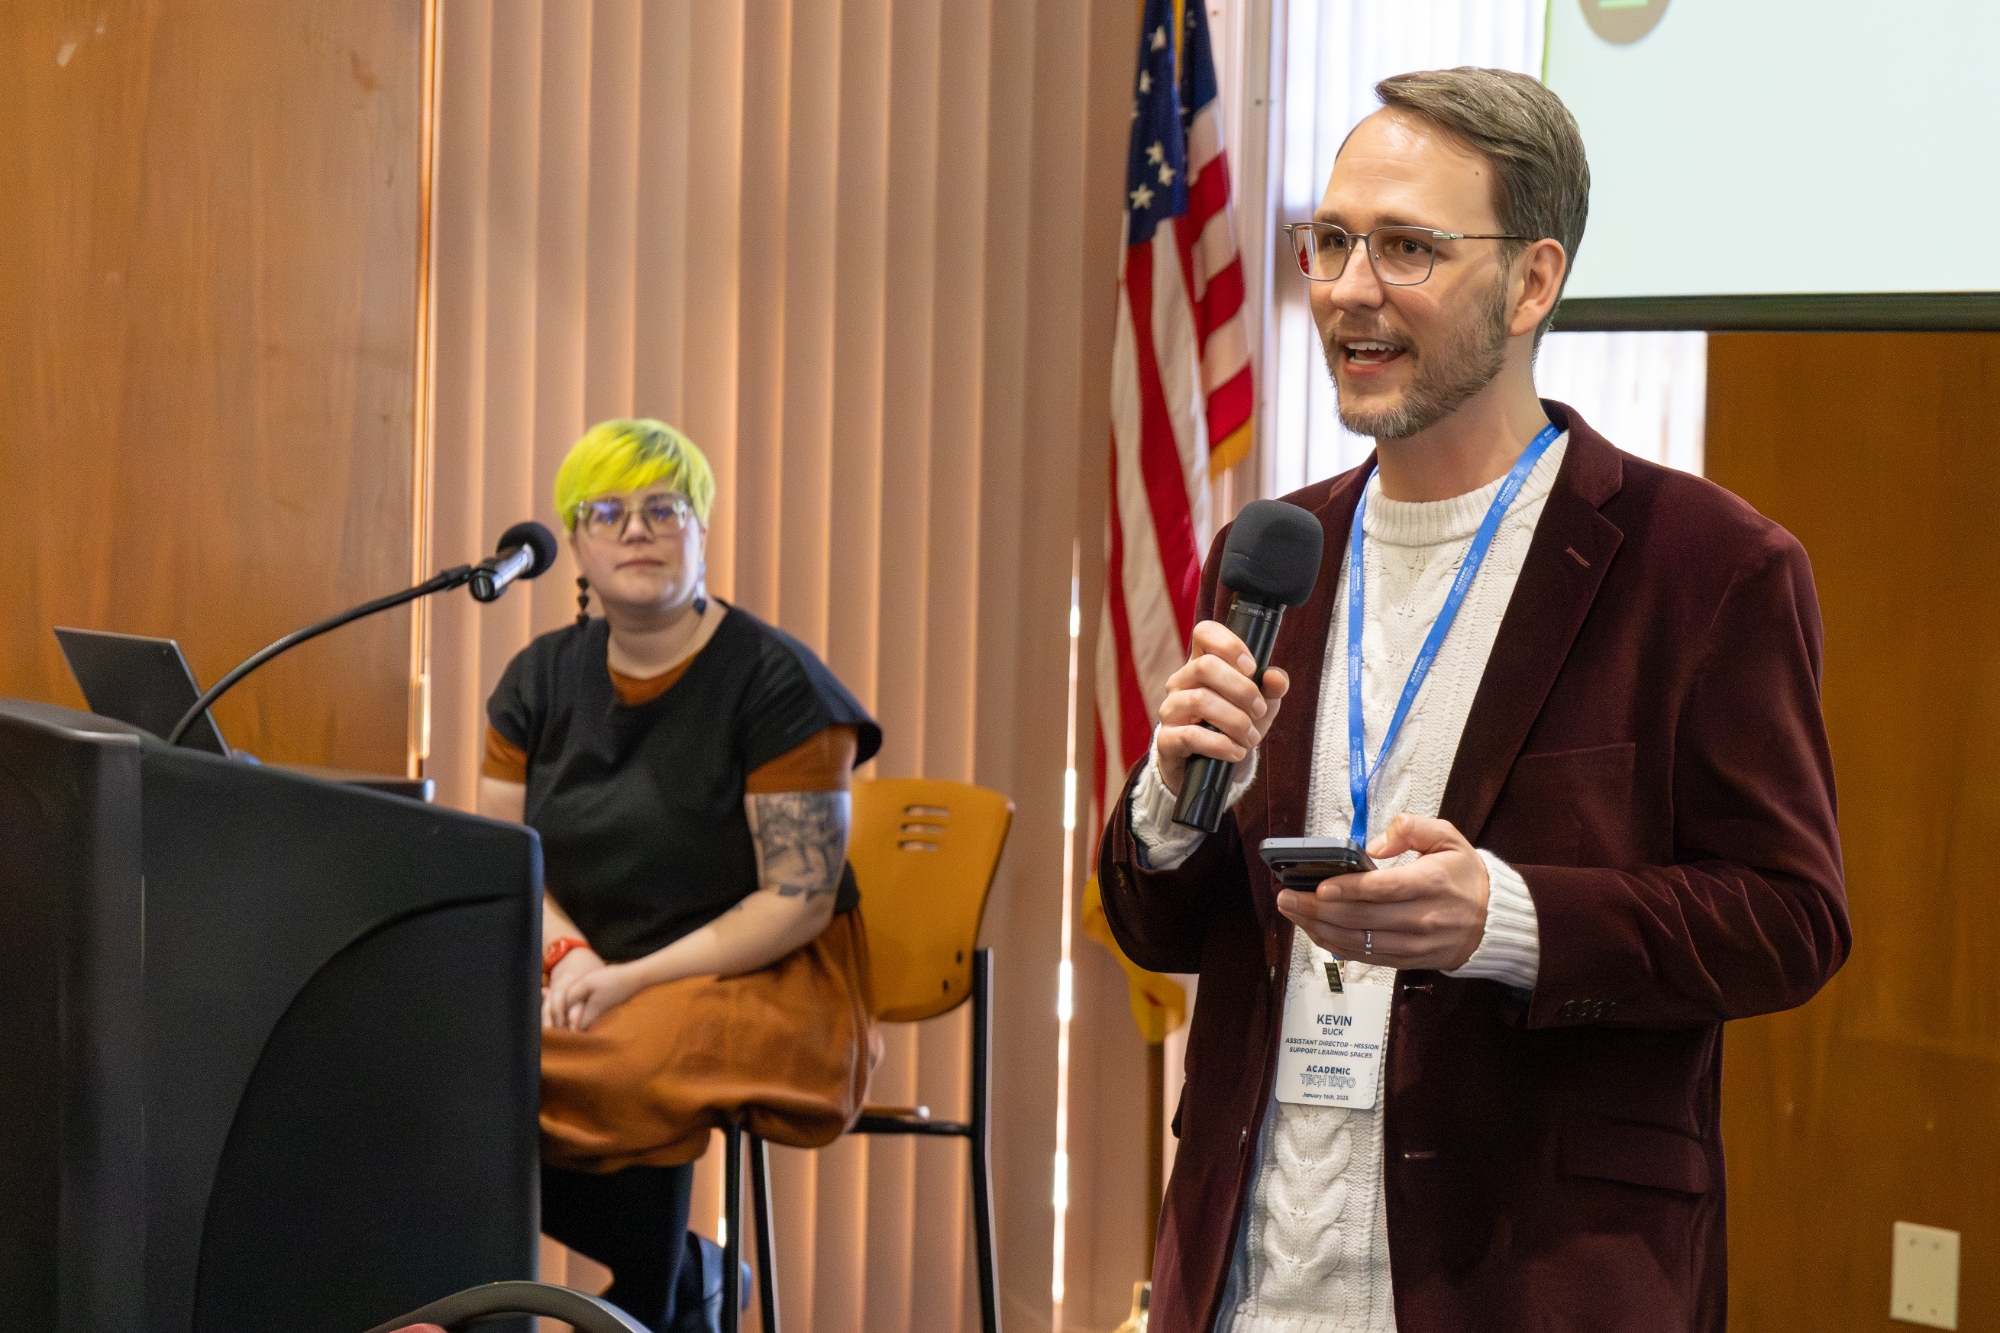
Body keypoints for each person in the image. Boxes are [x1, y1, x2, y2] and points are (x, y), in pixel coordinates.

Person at [1097, 69, 1846, 1333]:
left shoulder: (1706, 565)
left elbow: (1787, 919)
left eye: (1405, 247)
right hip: (1247, 1276)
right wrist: (1171, 803)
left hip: (1528, 1275)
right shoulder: (1279, 547)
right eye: (1330, 241)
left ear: (1532, 282)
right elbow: (1166, 929)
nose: (1346, 287)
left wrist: (1501, 917)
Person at [477, 419, 881, 1332]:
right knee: (457, 1052)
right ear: (574, 542)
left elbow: (799, 897)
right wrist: (568, 956)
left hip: (764, 970)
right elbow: (500, 858)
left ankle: (651, 1291)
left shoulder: (780, 685)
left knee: (632, 1054)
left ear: (700, 528)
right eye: (607, 510)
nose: (637, 529)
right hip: (583, 964)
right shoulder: (535, 679)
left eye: (664, 507)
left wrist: (623, 977)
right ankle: (679, 1276)